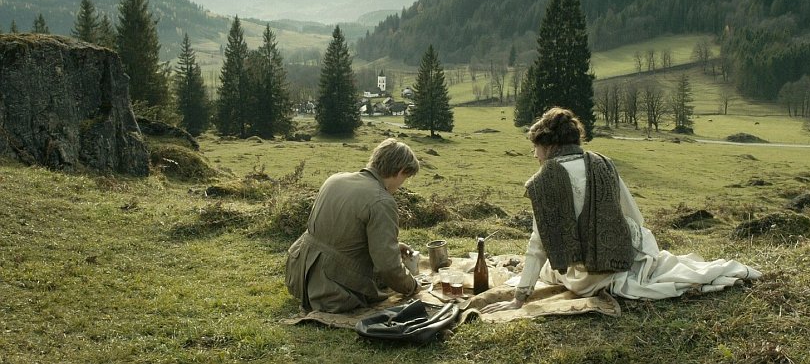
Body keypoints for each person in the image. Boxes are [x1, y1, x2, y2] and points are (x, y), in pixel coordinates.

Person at [482, 107, 760, 314]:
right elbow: (634, 216)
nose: (534, 155)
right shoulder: (602, 162)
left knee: (549, 270)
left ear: (549, 145)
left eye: (536, 147)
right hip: (624, 257)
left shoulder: (543, 181)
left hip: (589, 278)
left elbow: (538, 245)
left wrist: (519, 298)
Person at [285, 138, 422, 313]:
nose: (402, 185)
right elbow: (388, 267)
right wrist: (412, 286)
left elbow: (342, 236)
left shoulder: (335, 179)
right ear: (401, 171)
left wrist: (394, 248)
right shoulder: (382, 201)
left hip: (298, 277)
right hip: (333, 293)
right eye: (405, 178)